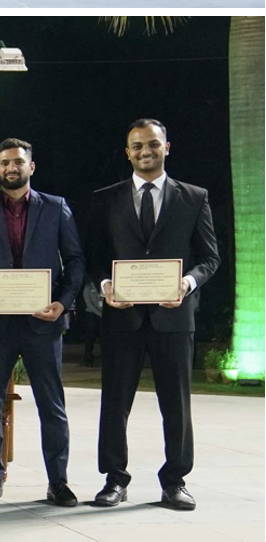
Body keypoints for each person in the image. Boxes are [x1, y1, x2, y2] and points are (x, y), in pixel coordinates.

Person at [84, 119, 218, 511]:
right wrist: (105, 285)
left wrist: (187, 284)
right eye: (138, 145)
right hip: (121, 318)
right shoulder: (105, 199)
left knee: (176, 405)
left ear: (166, 147)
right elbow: (92, 257)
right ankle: (114, 480)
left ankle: (175, 481)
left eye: (153, 144)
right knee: (114, 403)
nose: (146, 151)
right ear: (128, 152)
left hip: (173, 319)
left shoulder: (193, 197)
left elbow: (210, 258)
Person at [0, 138, 85, 506]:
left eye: (17, 162)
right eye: (4, 163)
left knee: (52, 406)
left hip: (42, 323)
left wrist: (63, 303)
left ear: (31, 167)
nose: (11, 168)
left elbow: (75, 261)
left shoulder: (56, 208)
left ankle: (58, 482)